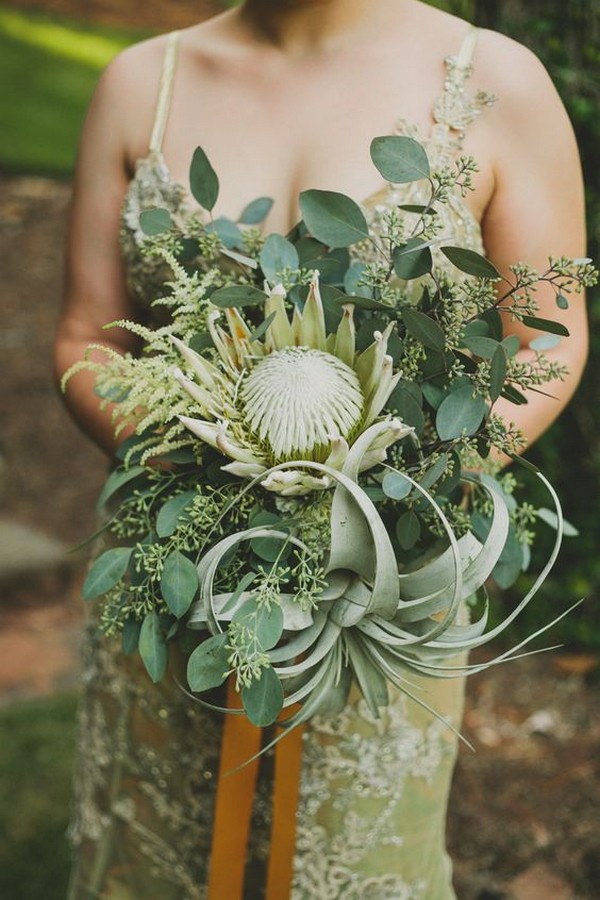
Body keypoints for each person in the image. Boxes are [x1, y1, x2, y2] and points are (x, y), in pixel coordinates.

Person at [54, 1, 589, 897]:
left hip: (383, 594)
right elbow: (84, 337)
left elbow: (548, 343)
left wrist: (403, 497)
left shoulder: (496, 80)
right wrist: (204, 473)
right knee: (153, 860)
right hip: (175, 570)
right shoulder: (142, 83)